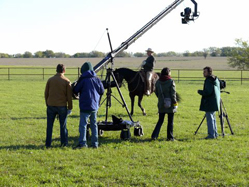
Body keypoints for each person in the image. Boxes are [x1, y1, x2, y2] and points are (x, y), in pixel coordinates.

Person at [73, 62, 104, 149]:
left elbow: (76, 90)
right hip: (94, 106)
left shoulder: (83, 80)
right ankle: (95, 144)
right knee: (94, 125)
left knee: (83, 125)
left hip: (85, 105)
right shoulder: (97, 79)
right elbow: (102, 91)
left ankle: (83, 143)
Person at [44, 64, 73, 148]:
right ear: (64, 71)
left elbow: (46, 93)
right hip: (62, 106)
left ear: (56, 70)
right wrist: (70, 107)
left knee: (49, 126)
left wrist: (47, 103)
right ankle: (64, 143)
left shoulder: (50, 80)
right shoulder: (66, 81)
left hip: (51, 105)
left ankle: (48, 144)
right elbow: (69, 96)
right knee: (63, 126)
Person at [151, 67, 178, 141]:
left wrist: (161, 99)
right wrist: (175, 103)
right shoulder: (171, 81)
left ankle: (154, 136)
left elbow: (156, 92)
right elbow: (173, 94)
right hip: (170, 104)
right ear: (168, 73)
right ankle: (170, 137)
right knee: (170, 121)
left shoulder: (158, 82)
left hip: (161, 103)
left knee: (160, 121)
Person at [198, 66, 220, 139]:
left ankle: (211, 135)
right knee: (213, 118)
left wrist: (200, 92)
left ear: (209, 72)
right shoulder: (214, 79)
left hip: (209, 101)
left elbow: (208, 92)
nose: (203, 73)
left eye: (205, 72)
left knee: (210, 119)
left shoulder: (208, 80)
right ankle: (215, 133)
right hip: (214, 101)